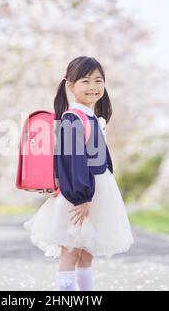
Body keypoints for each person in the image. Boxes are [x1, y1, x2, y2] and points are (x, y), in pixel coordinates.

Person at [24, 56, 134, 291]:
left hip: (97, 191)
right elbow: (74, 161)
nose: (93, 87)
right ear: (70, 85)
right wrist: (81, 196)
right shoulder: (72, 119)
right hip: (80, 193)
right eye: (85, 81)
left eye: (98, 80)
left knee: (86, 254)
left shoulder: (89, 116)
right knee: (71, 251)